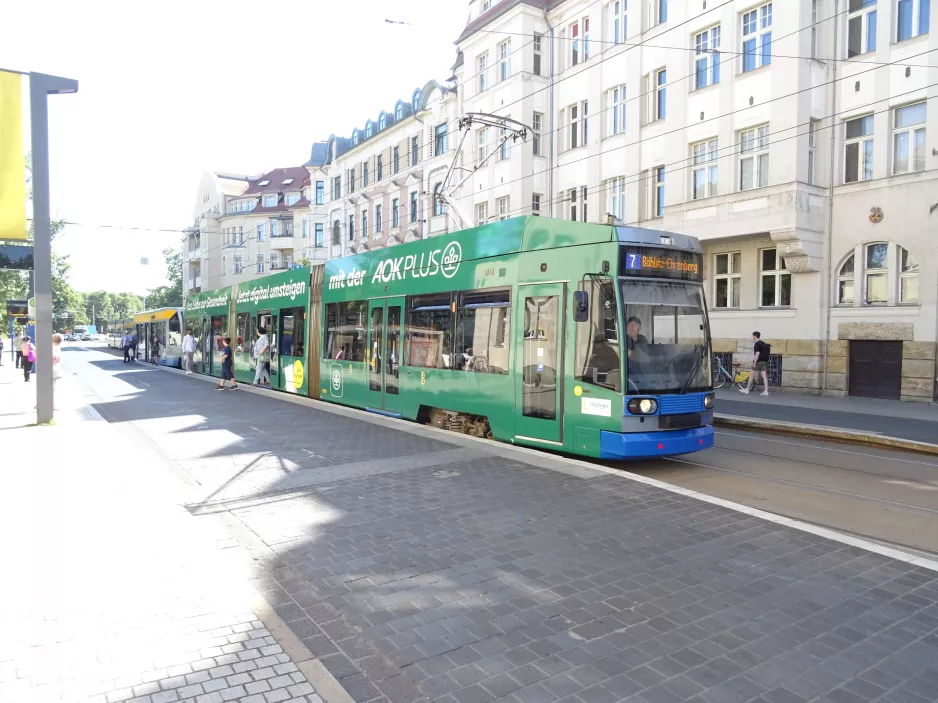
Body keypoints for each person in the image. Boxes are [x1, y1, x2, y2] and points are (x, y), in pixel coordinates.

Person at [740, 330, 770, 396]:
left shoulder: (757, 344)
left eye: (753, 336)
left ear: (755, 336)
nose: (752, 337)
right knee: (764, 376)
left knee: (751, 375)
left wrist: (754, 363)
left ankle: (747, 390)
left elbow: (757, 354)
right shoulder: (763, 343)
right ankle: (766, 391)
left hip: (758, 362)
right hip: (764, 361)